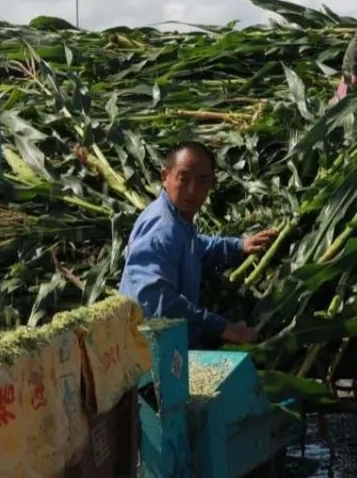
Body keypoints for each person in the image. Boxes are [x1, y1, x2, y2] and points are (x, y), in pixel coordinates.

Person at [119, 141, 278, 347]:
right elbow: (157, 301)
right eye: (183, 179)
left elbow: (195, 246)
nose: (192, 190)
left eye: (202, 181)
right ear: (165, 177)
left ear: (212, 183)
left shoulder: (178, 221)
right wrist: (224, 328)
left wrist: (238, 246)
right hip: (150, 352)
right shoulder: (162, 230)